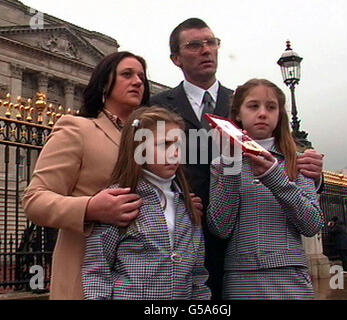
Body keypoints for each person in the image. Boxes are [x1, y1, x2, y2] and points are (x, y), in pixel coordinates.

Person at [151, 18, 325, 299]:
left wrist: (314, 175)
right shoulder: (157, 106)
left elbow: (286, 155)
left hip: (246, 247)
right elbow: (148, 165)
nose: (206, 50)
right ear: (176, 58)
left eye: (211, 42)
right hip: (185, 236)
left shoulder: (243, 101)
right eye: (195, 45)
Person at [22, 51, 150, 299]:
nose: (137, 82)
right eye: (127, 74)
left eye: (142, 77)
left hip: (143, 277)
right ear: (104, 83)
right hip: (88, 271)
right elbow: (34, 200)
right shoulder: (77, 128)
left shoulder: (150, 139)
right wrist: (90, 208)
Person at [207, 79, 324, 300]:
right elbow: (220, 227)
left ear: (279, 115)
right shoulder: (221, 163)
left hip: (290, 276)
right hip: (241, 277)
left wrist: (273, 176)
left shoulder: (297, 162)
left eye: (271, 107)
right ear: (238, 114)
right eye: (253, 106)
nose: (262, 113)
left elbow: (312, 224)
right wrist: (232, 164)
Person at [81, 107, 210, 299]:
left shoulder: (186, 204)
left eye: (179, 145)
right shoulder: (116, 201)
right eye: (164, 144)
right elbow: (97, 270)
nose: (174, 153)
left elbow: (197, 274)